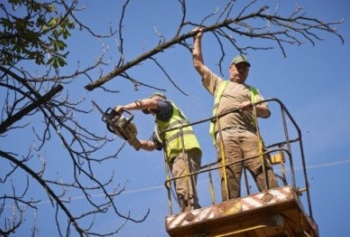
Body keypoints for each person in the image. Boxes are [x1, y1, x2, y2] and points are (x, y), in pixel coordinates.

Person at [191, 27, 278, 201]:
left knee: (261, 167)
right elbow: (198, 64)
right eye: (238, 67)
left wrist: (252, 106)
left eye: (245, 68)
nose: (241, 71)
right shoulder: (220, 85)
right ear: (230, 68)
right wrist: (197, 39)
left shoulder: (252, 91)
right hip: (226, 134)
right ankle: (231, 205)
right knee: (229, 172)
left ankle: (274, 198)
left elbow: (266, 112)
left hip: (249, 135)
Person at [115, 92, 202, 212]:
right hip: (179, 155)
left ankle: (190, 213)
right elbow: (151, 145)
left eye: (149, 108)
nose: (149, 110)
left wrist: (125, 107)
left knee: (184, 188)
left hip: (184, 150)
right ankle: (192, 209)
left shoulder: (167, 106)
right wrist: (133, 140)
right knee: (183, 187)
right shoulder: (160, 126)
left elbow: (150, 103)